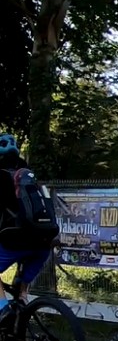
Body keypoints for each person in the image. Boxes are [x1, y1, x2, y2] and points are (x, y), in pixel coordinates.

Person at [0, 133, 54, 312]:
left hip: (17, 241)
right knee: (21, 291)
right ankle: (22, 303)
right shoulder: (29, 177)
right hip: (43, 243)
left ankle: (2, 308)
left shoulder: (1, 177)